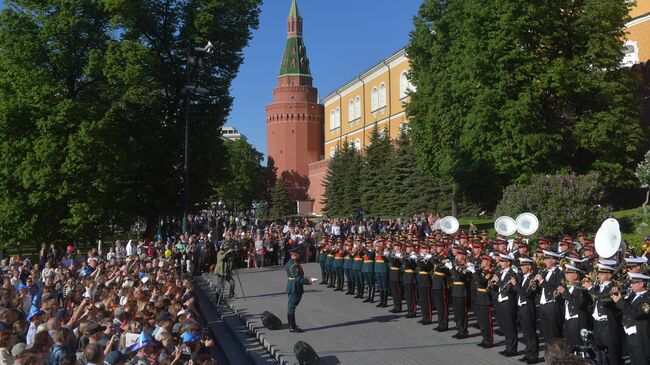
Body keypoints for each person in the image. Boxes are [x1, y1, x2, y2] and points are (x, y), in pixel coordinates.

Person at [612, 272, 650, 365]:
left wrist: (621, 302)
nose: (631, 285)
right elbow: (625, 308)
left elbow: (638, 314)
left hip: (641, 336)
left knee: (641, 360)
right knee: (634, 360)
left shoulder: (647, 297)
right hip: (631, 334)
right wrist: (617, 297)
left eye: (633, 282)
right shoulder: (633, 295)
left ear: (641, 284)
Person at [285, 246, 313, 333]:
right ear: (294, 254)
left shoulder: (291, 262)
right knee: (292, 307)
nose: (300, 255)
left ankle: (291, 325)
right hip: (295, 287)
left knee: (291, 306)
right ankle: (292, 327)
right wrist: (308, 281)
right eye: (298, 253)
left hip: (291, 286)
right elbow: (297, 279)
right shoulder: (293, 265)